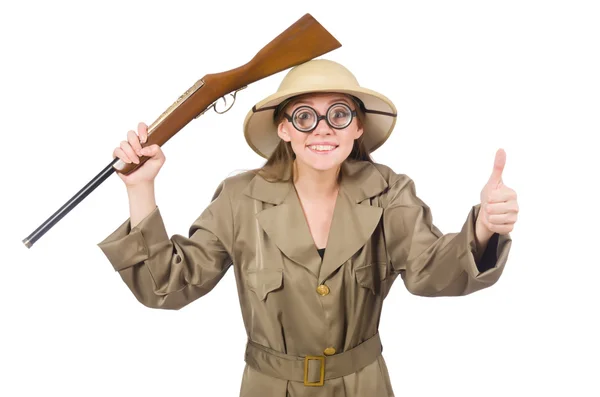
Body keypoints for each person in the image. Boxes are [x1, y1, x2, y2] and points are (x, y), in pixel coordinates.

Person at [98, 59, 517, 397]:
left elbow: (431, 270)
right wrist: (141, 188)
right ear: (283, 129)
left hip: (363, 387)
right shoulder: (239, 198)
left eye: (339, 115)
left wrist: (481, 228)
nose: (322, 129)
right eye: (304, 116)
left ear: (357, 127)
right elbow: (168, 286)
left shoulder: (389, 193)